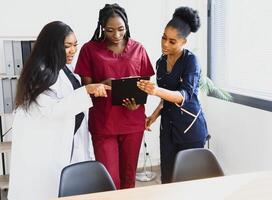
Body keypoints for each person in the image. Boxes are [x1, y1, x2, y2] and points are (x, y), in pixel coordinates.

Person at [8, 21, 111, 200]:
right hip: (44, 151)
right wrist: (86, 91)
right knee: (44, 190)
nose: (73, 50)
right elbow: (51, 110)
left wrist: (93, 88)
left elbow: (70, 100)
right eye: (67, 46)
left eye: (75, 45)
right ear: (52, 47)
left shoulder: (64, 68)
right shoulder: (40, 73)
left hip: (67, 142)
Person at [75, 3, 154, 189]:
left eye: (121, 29)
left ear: (126, 25)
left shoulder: (138, 49)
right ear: (102, 28)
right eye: (110, 30)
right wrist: (103, 84)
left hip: (132, 121)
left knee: (128, 179)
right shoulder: (89, 50)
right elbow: (85, 87)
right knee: (110, 181)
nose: (117, 35)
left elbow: (146, 84)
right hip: (104, 123)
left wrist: (139, 102)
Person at [137, 7, 208, 184]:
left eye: (172, 41)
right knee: (168, 178)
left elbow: (184, 95)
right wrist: (153, 117)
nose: (165, 44)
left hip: (190, 128)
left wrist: (155, 90)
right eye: (163, 38)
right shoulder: (160, 63)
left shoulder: (191, 61)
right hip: (168, 128)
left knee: (189, 180)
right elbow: (165, 98)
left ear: (184, 41)